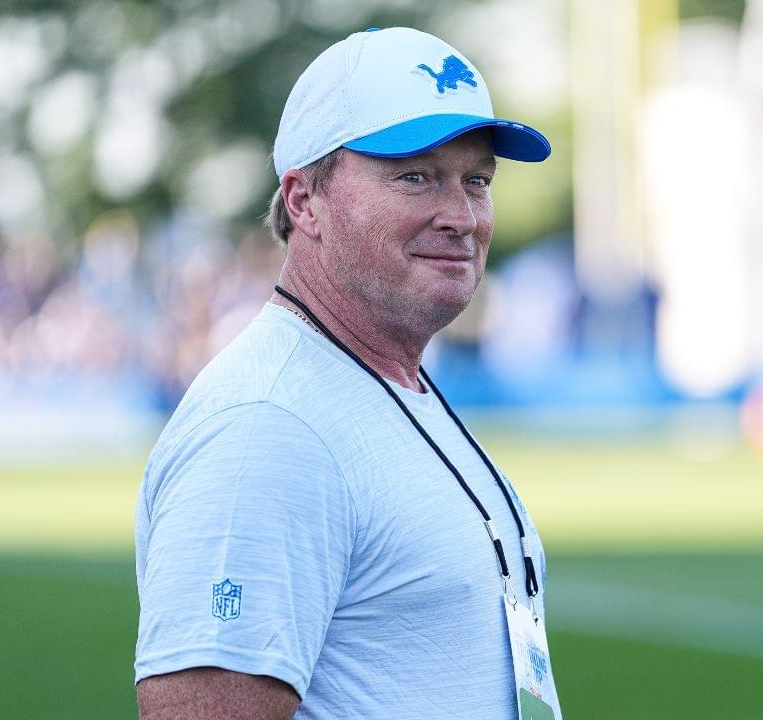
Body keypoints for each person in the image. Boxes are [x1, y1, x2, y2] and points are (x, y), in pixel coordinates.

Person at [133, 27, 561, 719]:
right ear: (304, 201)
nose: (461, 216)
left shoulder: (384, 379)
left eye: (476, 180)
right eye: (415, 176)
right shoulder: (267, 431)